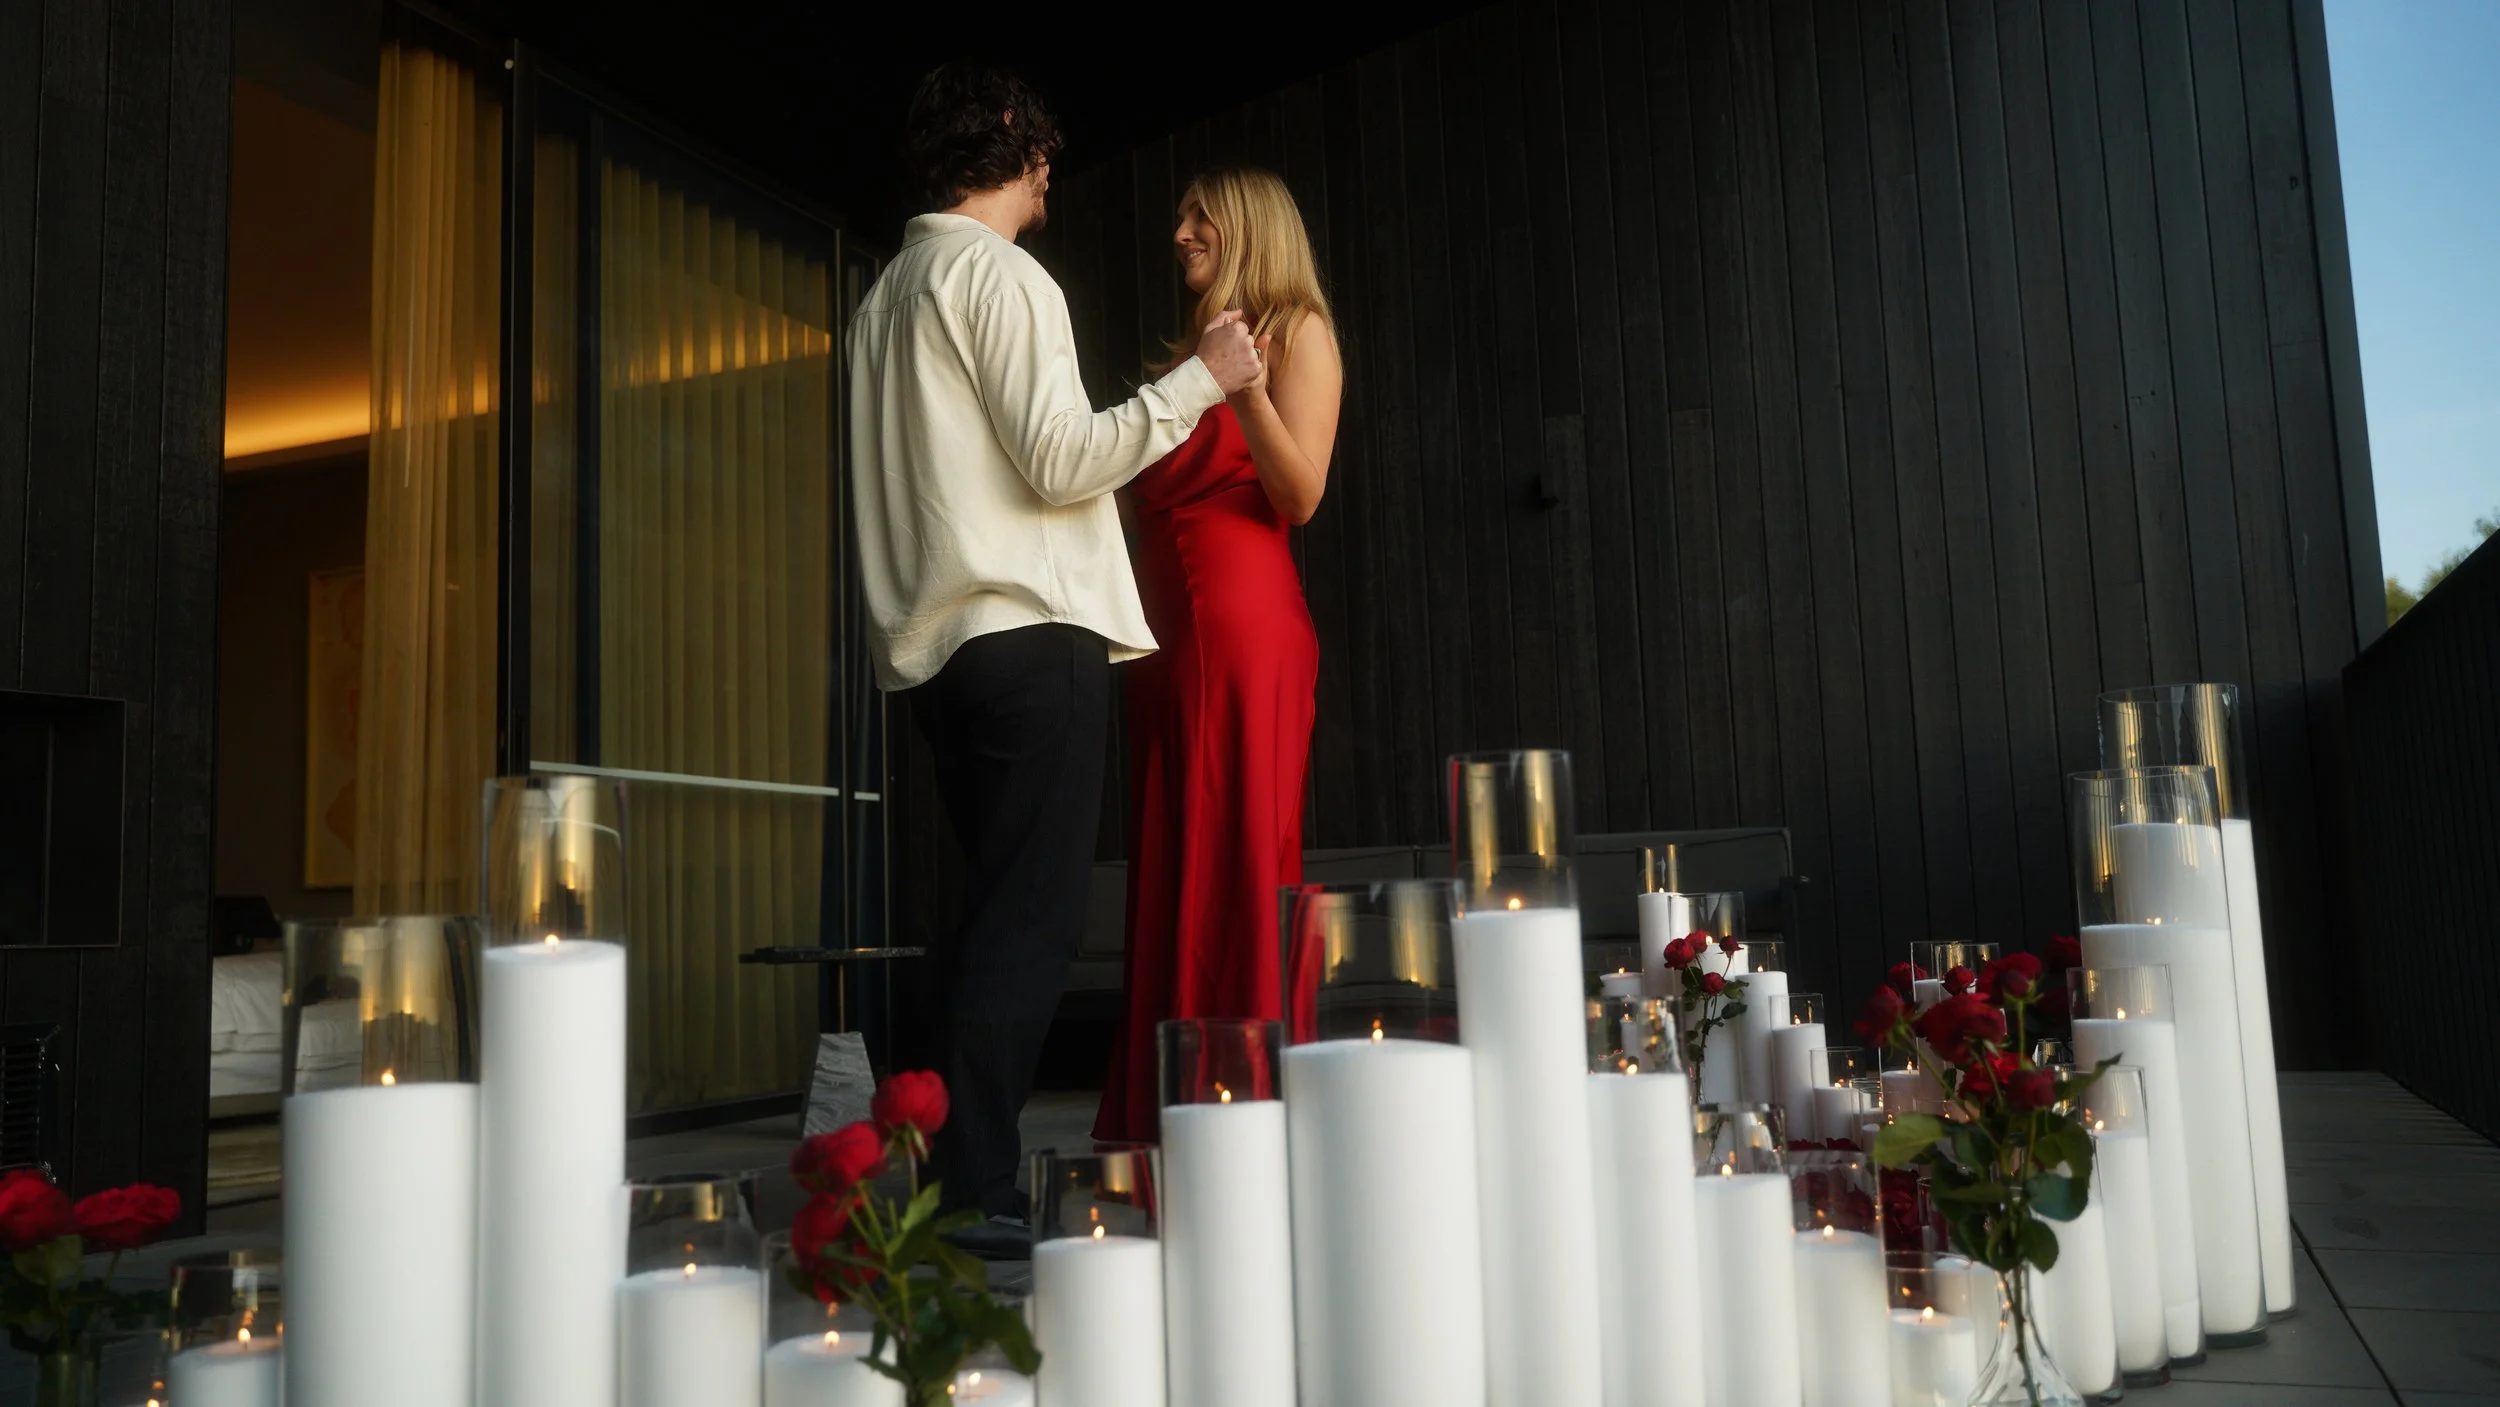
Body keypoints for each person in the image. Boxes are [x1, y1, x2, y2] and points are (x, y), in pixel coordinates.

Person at [847, 67, 1263, 1253]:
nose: (1051, 179)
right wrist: (1202, 381)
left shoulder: (880, 303)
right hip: (1028, 639)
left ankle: (934, 1176)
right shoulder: (1000, 275)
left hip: (936, 659)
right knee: (1026, 926)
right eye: (1045, 156)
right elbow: (1061, 457)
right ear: (1019, 151)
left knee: (993, 919)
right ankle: (966, 1194)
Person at [1094, 167, 1342, 1142]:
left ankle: (1242, 1107)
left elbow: (1301, 494)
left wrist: (1246, 393)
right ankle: (1173, 1108)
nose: (1181, 231)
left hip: (1240, 628)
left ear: (1249, 227)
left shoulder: (1299, 332)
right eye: (1180, 214)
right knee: (1174, 858)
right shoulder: (1190, 356)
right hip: (1165, 643)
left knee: (1237, 855)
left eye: (1201, 215)